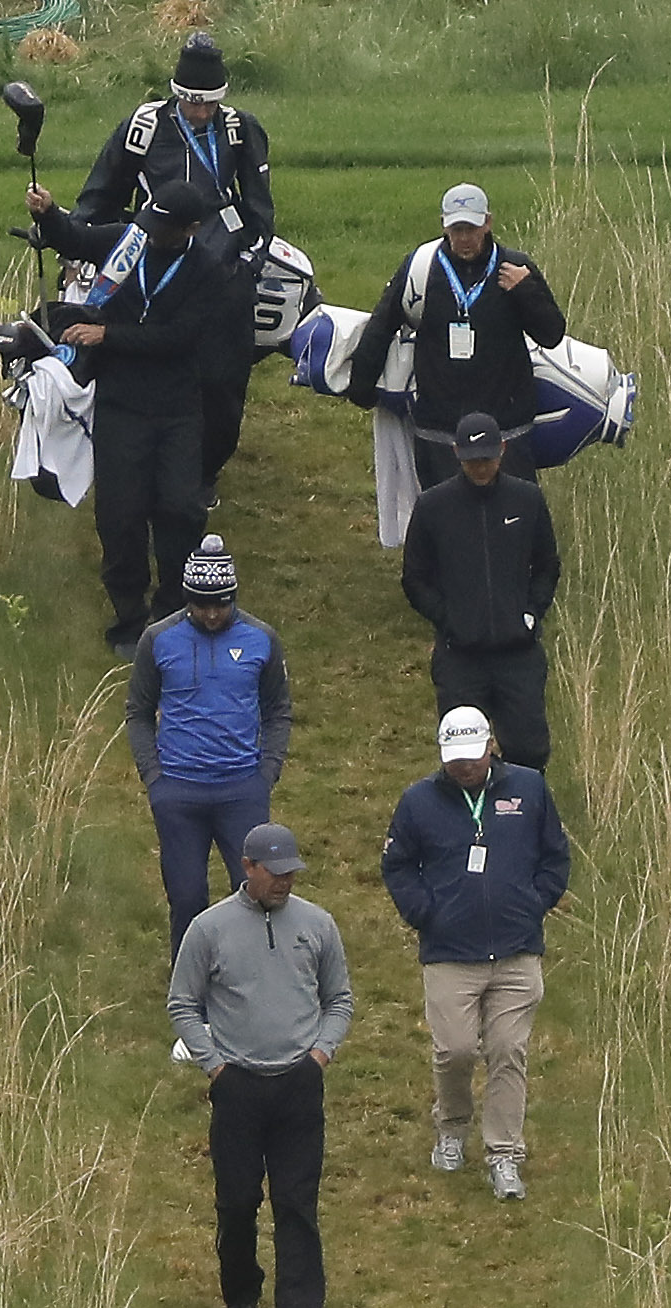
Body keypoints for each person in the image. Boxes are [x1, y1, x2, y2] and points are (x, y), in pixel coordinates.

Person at [51, 35, 278, 484]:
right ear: (177, 95)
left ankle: (204, 471)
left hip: (219, 269)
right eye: (193, 103)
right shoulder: (143, 128)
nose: (200, 114)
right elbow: (101, 193)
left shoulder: (240, 129)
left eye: (209, 105)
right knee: (139, 361)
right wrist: (74, 245)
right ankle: (132, 462)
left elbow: (259, 208)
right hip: (150, 265)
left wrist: (249, 262)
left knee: (222, 382)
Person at [167, 818, 351, 1308]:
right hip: (238, 1085)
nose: (285, 882)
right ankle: (241, 1297)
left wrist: (320, 1054)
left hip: (299, 1082)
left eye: (291, 872)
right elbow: (182, 1002)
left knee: (297, 1201)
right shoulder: (208, 929)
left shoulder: (317, 924)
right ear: (247, 868)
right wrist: (215, 1066)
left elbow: (338, 998)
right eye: (274, 873)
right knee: (237, 1200)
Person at [378, 706, 572, 1202]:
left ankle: (504, 1154)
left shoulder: (528, 790)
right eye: (453, 760)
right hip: (449, 953)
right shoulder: (418, 802)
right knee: (456, 1050)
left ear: (491, 747)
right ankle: (451, 1124)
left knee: (509, 1051)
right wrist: (426, 912)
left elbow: (556, 855)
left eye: (471, 757)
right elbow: (397, 865)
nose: (463, 768)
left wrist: (535, 902)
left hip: (516, 951)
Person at [59, 156, 239, 646]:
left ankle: (170, 609)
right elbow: (75, 239)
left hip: (177, 409)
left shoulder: (207, 271)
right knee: (120, 514)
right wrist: (47, 215)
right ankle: (128, 613)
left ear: (191, 229)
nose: (151, 232)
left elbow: (178, 338)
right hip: (120, 406)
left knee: (180, 508)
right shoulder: (129, 241)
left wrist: (107, 335)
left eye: (163, 227)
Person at [127, 538, 291, 973]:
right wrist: (154, 778)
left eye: (220, 604)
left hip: (242, 789)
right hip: (178, 791)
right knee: (186, 896)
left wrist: (266, 773)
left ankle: (254, 979)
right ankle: (190, 989)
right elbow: (139, 714)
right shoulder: (157, 640)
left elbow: (278, 711)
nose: (212, 614)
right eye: (202, 605)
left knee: (254, 889)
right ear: (188, 600)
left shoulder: (261, 639)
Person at [346, 181, 569, 489]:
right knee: (446, 526)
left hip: (506, 430)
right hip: (439, 430)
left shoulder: (515, 268)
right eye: (456, 230)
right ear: (443, 225)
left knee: (510, 525)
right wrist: (361, 385)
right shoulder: (419, 269)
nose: (464, 239)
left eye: (472, 229)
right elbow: (382, 324)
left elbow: (552, 334)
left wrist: (526, 291)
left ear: (488, 223)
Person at [398, 411, 562, 772]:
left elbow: (547, 565)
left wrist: (531, 613)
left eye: (487, 458)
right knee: (461, 755)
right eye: (472, 460)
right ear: (456, 453)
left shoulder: (527, 499)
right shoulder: (433, 507)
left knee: (530, 750)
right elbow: (415, 578)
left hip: (517, 653)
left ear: (502, 449)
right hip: (460, 657)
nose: (481, 467)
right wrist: (448, 619)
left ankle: (522, 817)